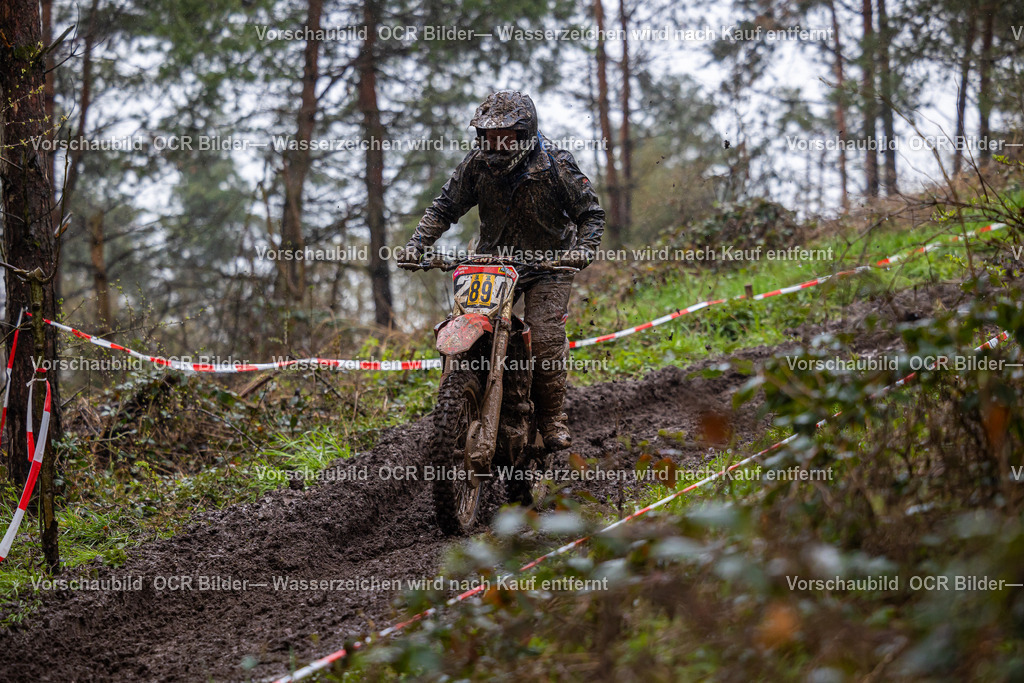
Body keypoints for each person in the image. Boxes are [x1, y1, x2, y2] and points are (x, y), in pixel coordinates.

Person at [397, 90, 604, 449]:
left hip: (549, 263)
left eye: (505, 137)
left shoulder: (556, 164)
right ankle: (465, 394)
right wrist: (418, 245)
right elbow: (445, 207)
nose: (496, 146)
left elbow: (591, 214)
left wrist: (582, 250)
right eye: (489, 137)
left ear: (524, 136)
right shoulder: (476, 165)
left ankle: (552, 419)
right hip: (492, 262)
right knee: (473, 326)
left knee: (543, 338)